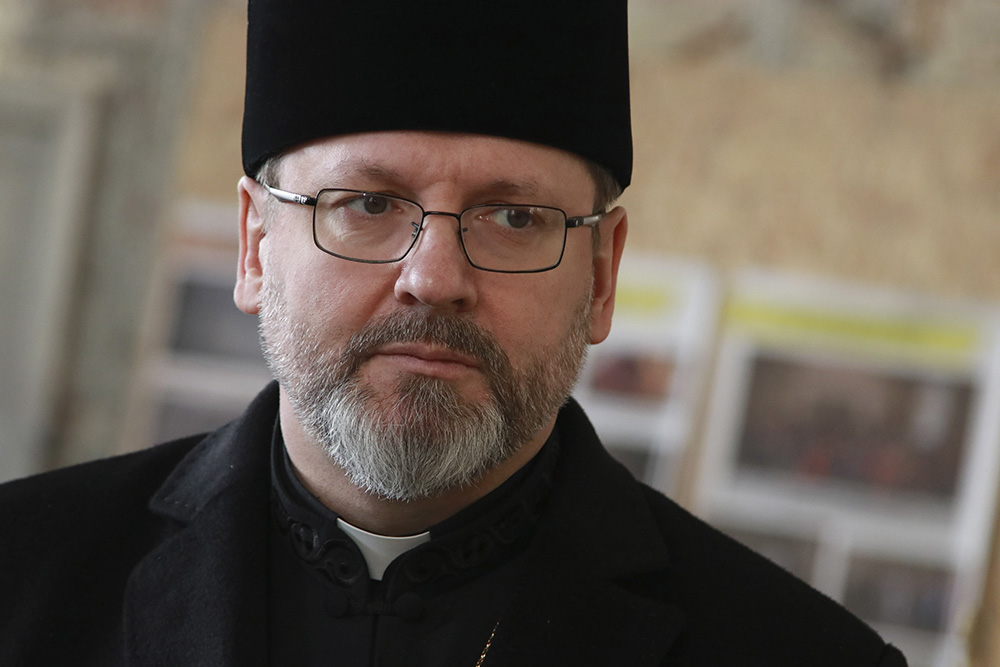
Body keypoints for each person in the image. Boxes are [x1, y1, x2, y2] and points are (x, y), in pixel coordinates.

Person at [0, 1, 909, 665]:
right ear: (254, 246)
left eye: (514, 218)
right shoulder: (23, 576)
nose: (434, 278)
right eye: (366, 203)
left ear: (601, 276)